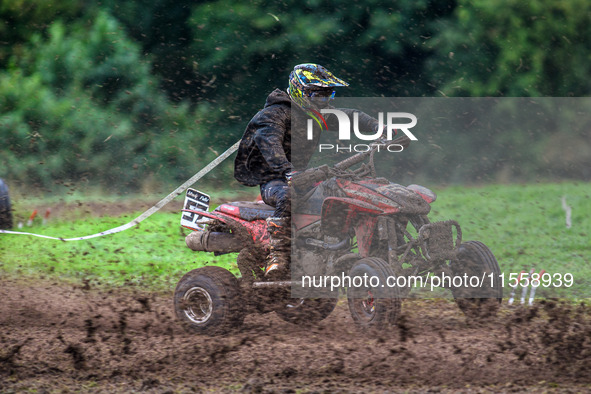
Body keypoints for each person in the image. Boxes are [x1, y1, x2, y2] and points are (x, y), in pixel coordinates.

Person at [234, 63, 382, 279]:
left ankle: (336, 245)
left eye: (327, 95)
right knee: (286, 194)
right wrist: (288, 171)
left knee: (342, 188)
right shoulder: (274, 114)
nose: (324, 101)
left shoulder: (314, 113)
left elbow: (349, 116)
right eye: (317, 95)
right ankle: (278, 255)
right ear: (299, 91)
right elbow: (270, 143)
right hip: (275, 180)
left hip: (302, 176)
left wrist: (378, 126)